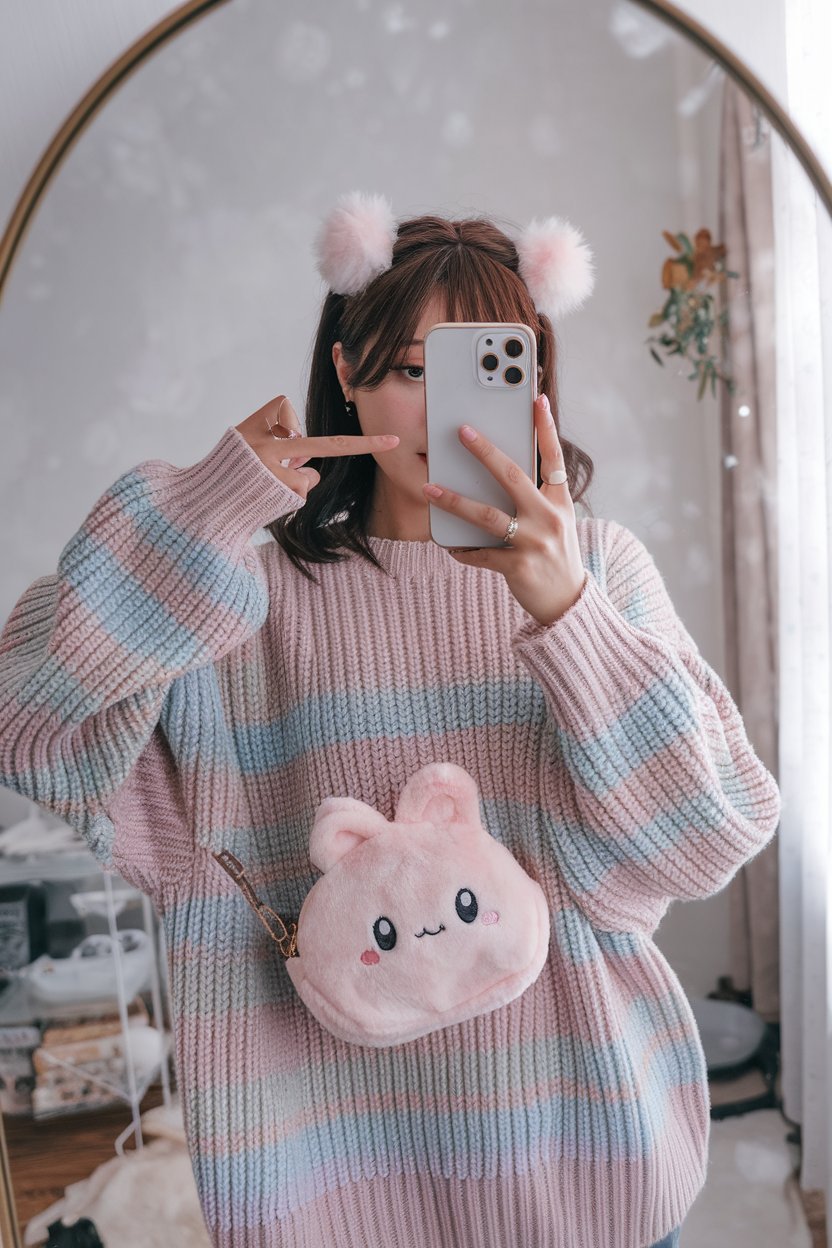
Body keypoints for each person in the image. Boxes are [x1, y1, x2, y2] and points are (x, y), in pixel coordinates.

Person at [0, 192, 781, 1248]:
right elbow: (33, 725)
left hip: (587, 1174)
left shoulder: (598, 573)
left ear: (535, 383)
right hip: (328, 1195)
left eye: (489, 367)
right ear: (346, 373)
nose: (446, 411)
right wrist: (202, 513)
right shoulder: (237, 601)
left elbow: (709, 835)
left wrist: (568, 617)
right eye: (413, 370)